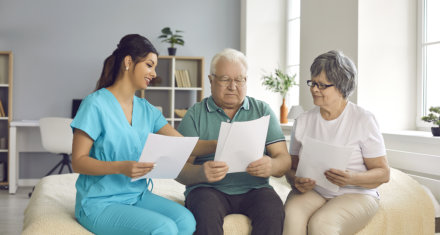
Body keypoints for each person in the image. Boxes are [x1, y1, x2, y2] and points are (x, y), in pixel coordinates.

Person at [70, 34, 216, 235]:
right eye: (149, 65)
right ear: (128, 62)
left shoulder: (147, 110)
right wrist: (121, 167)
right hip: (99, 202)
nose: (154, 73)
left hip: (137, 195)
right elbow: (78, 161)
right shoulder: (95, 104)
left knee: (186, 221)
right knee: (164, 228)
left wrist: (221, 143)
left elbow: (184, 145)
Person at [176, 48, 291, 235]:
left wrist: (272, 165)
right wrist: (201, 173)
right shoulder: (195, 114)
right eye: (225, 79)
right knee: (205, 212)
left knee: (273, 210)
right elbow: (179, 169)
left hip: (255, 188)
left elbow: (283, 158)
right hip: (207, 189)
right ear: (211, 80)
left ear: (246, 81)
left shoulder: (262, 110)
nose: (233, 86)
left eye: (239, 80)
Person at [283, 50, 390, 235]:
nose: (314, 89)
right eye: (313, 83)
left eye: (322, 85)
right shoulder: (303, 121)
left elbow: (383, 173)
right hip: (315, 191)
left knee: (322, 223)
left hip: (356, 193)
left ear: (341, 87)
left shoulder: (363, 120)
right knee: (290, 215)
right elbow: (290, 168)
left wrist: (352, 178)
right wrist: (296, 180)